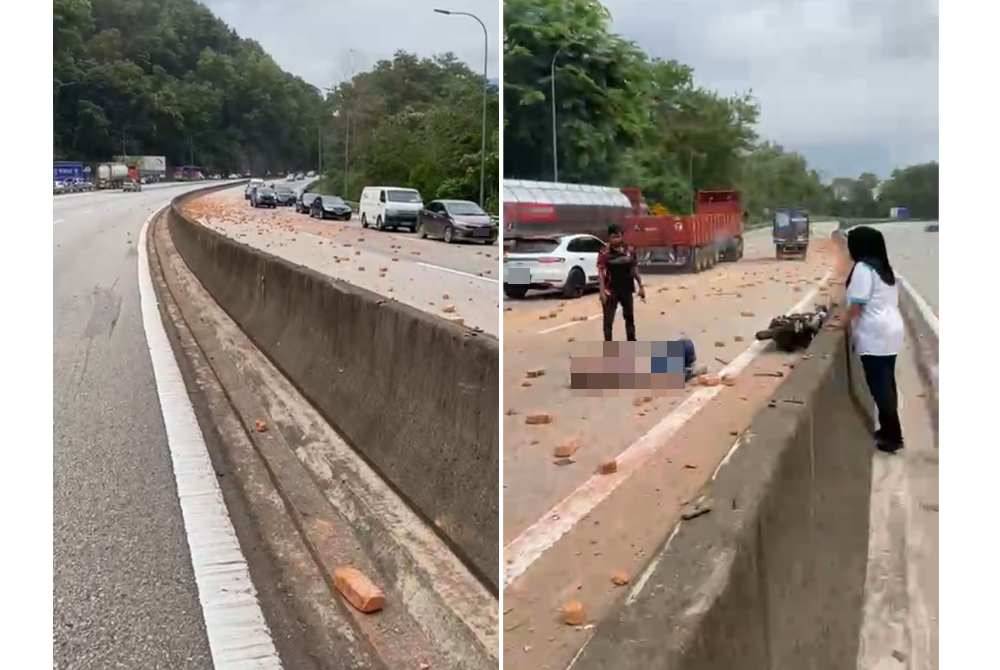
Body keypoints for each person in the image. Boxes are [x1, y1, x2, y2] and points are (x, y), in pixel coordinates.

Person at [845, 226, 905, 453]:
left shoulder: (863, 268)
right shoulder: (884, 269)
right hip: (892, 330)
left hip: (875, 333)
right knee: (887, 382)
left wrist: (841, 323)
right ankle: (889, 429)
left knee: (879, 386)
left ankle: (893, 436)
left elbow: (858, 304)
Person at [598, 224, 645, 341]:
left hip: (626, 289)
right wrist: (602, 292)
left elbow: (634, 269)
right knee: (608, 322)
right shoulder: (604, 253)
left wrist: (641, 286)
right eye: (614, 237)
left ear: (622, 236)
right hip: (610, 291)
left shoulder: (629, 250)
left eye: (618, 236)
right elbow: (601, 273)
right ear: (609, 238)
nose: (616, 239)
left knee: (629, 318)